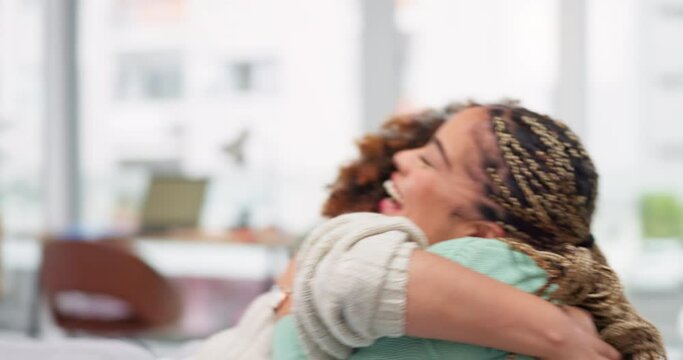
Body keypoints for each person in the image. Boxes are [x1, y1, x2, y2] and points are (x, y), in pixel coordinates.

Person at [272, 102, 665, 359]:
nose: (403, 157)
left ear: (484, 230)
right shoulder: (521, 286)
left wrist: (295, 286)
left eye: (429, 160)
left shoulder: (495, 263)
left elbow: (347, 281)